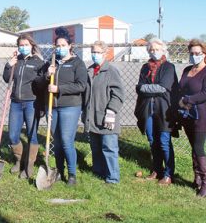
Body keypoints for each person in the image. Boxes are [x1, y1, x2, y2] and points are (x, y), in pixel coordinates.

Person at [40, 27, 88, 186]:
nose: (59, 48)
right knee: (58, 142)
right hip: (52, 106)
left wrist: (59, 89)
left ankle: (72, 174)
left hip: (70, 107)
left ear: (69, 46)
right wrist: (48, 74)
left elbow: (81, 85)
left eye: (62, 45)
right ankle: (58, 171)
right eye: (57, 46)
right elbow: (39, 82)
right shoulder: (52, 63)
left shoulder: (77, 63)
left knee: (67, 141)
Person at [134, 38, 179, 185]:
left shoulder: (169, 67)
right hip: (147, 108)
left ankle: (168, 173)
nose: (154, 52)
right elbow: (138, 87)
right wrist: (145, 88)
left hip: (164, 109)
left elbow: (163, 87)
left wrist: (145, 88)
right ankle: (157, 169)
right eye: (151, 50)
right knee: (153, 141)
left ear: (163, 50)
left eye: (157, 49)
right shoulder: (145, 68)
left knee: (164, 141)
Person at [178, 39, 206, 197]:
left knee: (199, 147)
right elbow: (181, 87)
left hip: (201, 114)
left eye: (198, 53)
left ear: (204, 54)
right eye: (192, 53)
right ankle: (198, 178)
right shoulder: (187, 69)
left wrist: (187, 100)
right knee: (193, 146)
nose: (195, 56)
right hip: (186, 113)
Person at [2, 34, 46, 178]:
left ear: (32, 46)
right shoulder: (17, 60)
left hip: (31, 103)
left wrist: (42, 106)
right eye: (21, 45)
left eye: (26, 45)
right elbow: (7, 78)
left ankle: (29, 165)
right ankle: (19, 161)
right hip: (16, 102)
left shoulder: (39, 62)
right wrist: (9, 65)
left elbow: (43, 85)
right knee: (13, 135)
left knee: (31, 135)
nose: (23, 47)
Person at [83, 41, 124, 184]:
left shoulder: (111, 71)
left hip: (107, 116)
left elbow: (118, 94)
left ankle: (112, 177)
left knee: (109, 148)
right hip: (92, 116)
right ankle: (98, 171)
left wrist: (111, 111)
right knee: (96, 147)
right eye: (93, 52)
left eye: (98, 52)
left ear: (105, 53)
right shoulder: (90, 71)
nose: (95, 55)